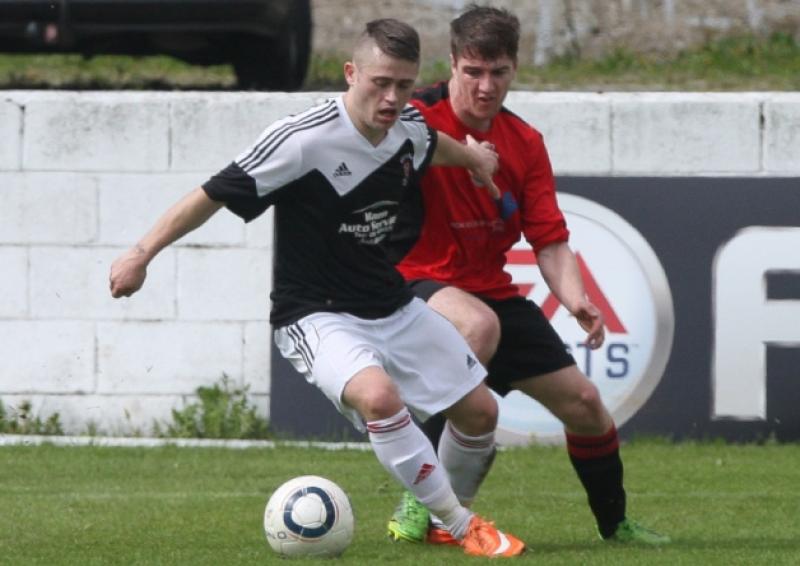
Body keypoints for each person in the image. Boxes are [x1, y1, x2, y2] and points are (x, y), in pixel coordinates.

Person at [109, 18, 525, 558]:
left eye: (404, 84)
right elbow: (210, 194)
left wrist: (475, 159)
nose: (392, 97)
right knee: (379, 398)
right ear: (350, 73)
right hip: (314, 313)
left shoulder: (409, 128)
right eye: (380, 83)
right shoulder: (301, 140)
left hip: (388, 301)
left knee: (481, 412)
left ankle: (442, 524)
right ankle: (463, 523)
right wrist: (142, 253)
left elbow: (432, 143)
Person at [383, 5, 670, 546]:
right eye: (473, 72)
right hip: (411, 281)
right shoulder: (413, 117)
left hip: (488, 292)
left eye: (498, 72)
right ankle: (421, 502)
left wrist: (577, 298)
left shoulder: (525, 143)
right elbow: (374, 140)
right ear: (451, 65)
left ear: (514, 69)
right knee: (476, 327)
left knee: (585, 406)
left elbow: (550, 240)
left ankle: (616, 528)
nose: (485, 86)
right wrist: (462, 157)